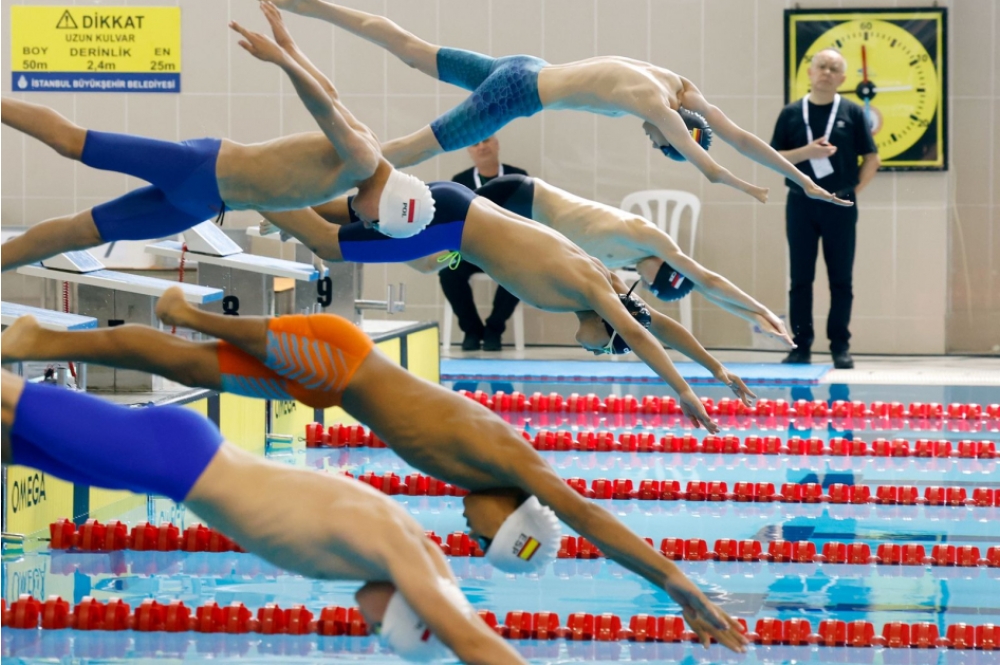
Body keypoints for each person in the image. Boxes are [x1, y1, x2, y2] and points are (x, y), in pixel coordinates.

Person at [3, 307, 749, 655]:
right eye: (485, 539)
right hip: (335, 362)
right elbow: (586, 520)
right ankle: (87, 330)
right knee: (183, 351)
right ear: (512, 520)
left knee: (170, 368)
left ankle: (52, 340)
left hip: (318, 392)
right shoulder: (511, 466)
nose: (470, 534)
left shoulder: (437, 513)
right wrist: (678, 585)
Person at [0, 368, 524, 664]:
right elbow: (470, 639)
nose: (368, 625)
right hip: (178, 459)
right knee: (8, 400)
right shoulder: (394, 549)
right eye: (382, 628)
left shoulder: (398, 546)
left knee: (8, 442)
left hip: (173, 466)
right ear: (409, 607)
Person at [257, 183, 757, 432]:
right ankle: (245, 188)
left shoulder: (604, 285)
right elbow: (643, 333)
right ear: (607, 328)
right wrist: (684, 391)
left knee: (349, 216)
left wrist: (717, 368)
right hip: (452, 225)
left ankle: (267, 198)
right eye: (606, 350)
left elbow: (656, 324)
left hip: (458, 208)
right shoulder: (594, 291)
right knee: (327, 244)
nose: (596, 353)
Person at [261, 0, 852, 208]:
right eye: (661, 143)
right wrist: (749, 187)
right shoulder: (659, 104)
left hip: (524, 64)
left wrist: (804, 180)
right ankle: (314, 185)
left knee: (412, 49)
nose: (653, 140)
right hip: (517, 93)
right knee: (411, 150)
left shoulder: (677, 83)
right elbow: (713, 163)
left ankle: (311, 5)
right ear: (675, 130)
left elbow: (741, 137)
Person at [0, 1, 434, 273]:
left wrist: (291, 48)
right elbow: (323, 107)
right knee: (73, 143)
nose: (367, 222)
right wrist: (283, 60)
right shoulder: (362, 161)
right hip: (199, 168)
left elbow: (331, 94)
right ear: (390, 201)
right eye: (377, 221)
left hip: (204, 204)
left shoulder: (364, 159)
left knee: (85, 232)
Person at [471, 174, 794, 348]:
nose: (647, 285)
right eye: (654, 283)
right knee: (454, 232)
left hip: (524, 219)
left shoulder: (628, 261)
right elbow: (708, 280)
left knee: (458, 249)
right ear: (663, 269)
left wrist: (753, 317)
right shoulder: (647, 236)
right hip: (520, 196)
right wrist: (763, 310)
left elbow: (706, 291)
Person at [770, 48, 880, 369]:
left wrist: (852, 192)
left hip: (840, 204)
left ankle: (840, 347)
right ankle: (800, 345)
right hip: (801, 203)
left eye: (834, 69)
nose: (827, 73)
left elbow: (872, 159)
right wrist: (806, 152)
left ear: (843, 78)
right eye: (822, 66)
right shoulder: (791, 113)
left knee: (841, 279)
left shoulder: (852, 112)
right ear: (810, 72)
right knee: (800, 279)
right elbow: (773, 157)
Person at [445, 136, 527, 351]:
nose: (481, 146)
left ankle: (494, 329)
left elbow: (527, 217)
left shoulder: (518, 177)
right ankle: (471, 330)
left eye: (486, 140)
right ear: (469, 151)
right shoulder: (460, 181)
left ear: (497, 144)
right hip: (472, 251)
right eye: (475, 143)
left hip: (506, 251)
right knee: (448, 271)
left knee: (521, 272)